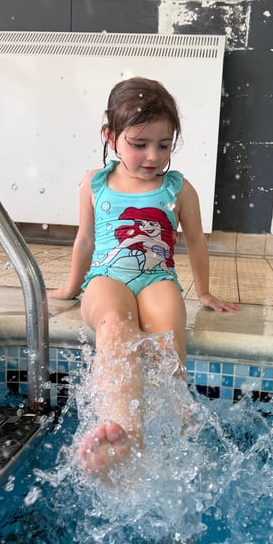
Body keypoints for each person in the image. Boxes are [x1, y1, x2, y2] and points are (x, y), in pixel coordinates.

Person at [49, 76, 240, 480]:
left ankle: (177, 454)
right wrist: (70, 287)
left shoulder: (178, 188)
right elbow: (85, 240)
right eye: (139, 144)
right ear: (111, 137)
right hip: (106, 279)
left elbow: (197, 243)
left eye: (164, 144)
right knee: (114, 326)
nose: (153, 156)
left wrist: (203, 291)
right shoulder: (94, 184)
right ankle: (126, 437)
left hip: (158, 278)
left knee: (167, 343)